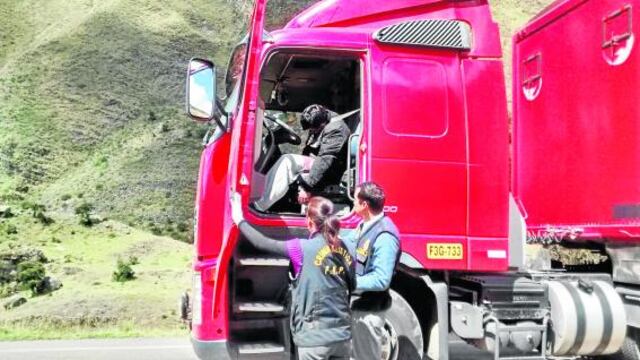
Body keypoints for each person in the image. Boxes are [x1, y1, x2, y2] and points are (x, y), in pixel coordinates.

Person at [231, 193, 355, 360]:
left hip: (314, 339)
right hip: (342, 336)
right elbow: (352, 284)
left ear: (309, 222)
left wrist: (239, 219)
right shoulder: (347, 247)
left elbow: (262, 243)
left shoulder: (299, 249)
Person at [253, 104, 351, 211]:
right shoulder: (321, 123)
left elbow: (325, 160)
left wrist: (307, 187)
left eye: (313, 129)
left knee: (288, 162)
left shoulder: (336, 129)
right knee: (282, 159)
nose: (311, 131)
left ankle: (259, 205)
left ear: (322, 123)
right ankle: (258, 195)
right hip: (318, 164)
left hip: (331, 172)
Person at [349, 182, 401, 360]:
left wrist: (347, 281)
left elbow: (381, 279)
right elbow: (350, 243)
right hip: (360, 308)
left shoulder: (385, 236)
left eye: (355, 198)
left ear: (364, 205)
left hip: (370, 312)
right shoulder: (365, 225)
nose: (352, 202)